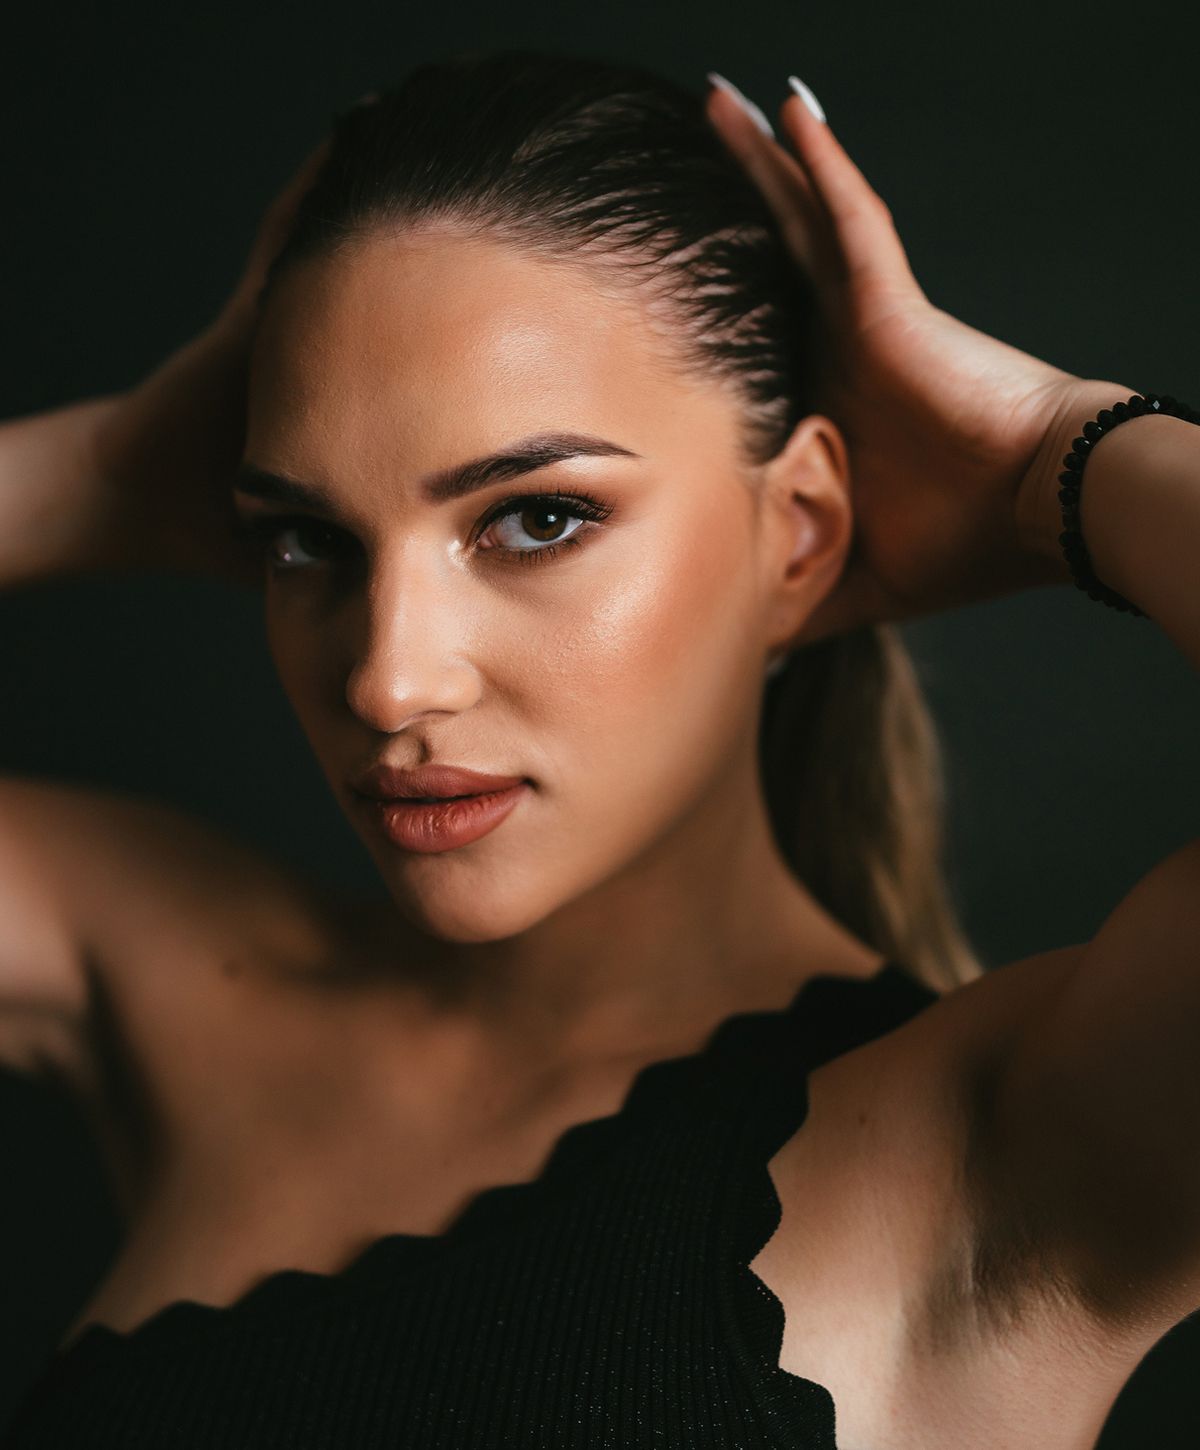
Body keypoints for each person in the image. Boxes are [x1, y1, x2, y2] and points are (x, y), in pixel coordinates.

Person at [1, 48, 1196, 1450]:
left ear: (798, 530)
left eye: (537, 518)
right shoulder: (167, 983)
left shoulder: (1009, 1151)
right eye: (307, 540)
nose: (389, 678)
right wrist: (103, 473)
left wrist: (1055, 448)